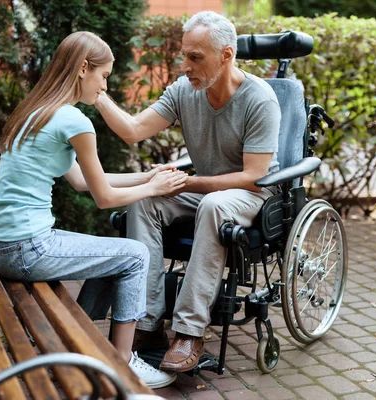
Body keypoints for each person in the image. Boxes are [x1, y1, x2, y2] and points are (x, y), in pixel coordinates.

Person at [0, 31, 187, 389]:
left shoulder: (36, 112)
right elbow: (103, 198)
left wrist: (146, 175)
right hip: (27, 249)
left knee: (110, 254)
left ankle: (77, 340)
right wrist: (153, 189)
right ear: (82, 69)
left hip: (1, 245)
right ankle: (123, 365)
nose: (105, 86)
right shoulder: (76, 121)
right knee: (136, 254)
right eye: (104, 75)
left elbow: (80, 181)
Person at [94, 11, 281, 372]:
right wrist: (97, 94)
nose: (185, 66)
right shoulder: (185, 91)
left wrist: (188, 182)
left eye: (195, 57)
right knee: (145, 198)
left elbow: (255, 176)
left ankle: (189, 331)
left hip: (252, 195)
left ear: (226, 55)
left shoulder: (260, 99)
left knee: (212, 204)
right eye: (184, 55)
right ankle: (146, 324)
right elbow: (133, 130)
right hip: (207, 191)